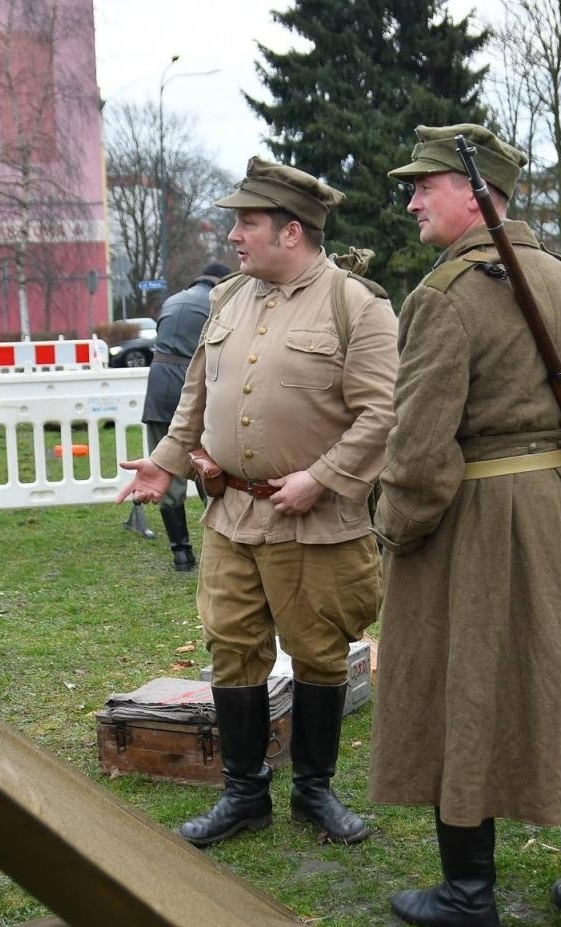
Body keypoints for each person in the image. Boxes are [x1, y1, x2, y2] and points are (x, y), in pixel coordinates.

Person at [370, 124, 561, 927]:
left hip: (478, 521)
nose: (412, 199)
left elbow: (418, 453)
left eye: (427, 184)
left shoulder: (445, 296)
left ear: (476, 191)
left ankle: (468, 895)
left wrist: (397, 530)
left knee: (467, 687)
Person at [116, 158, 398, 847]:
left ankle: (314, 793)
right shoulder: (229, 297)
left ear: (291, 231)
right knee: (234, 650)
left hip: (315, 522)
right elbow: (195, 399)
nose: (234, 236)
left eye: (247, 223)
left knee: (320, 654)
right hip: (231, 517)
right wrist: (166, 463)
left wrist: (323, 478)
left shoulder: (355, 305)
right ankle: (244, 795)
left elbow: (382, 414)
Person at [143, 262, 229, 571]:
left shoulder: (171, 300)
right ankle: (222, 545)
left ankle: (180, 553)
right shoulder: (219, 301)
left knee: (166, 467)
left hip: (157, 387)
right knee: (210, 465)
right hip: (191, 386)